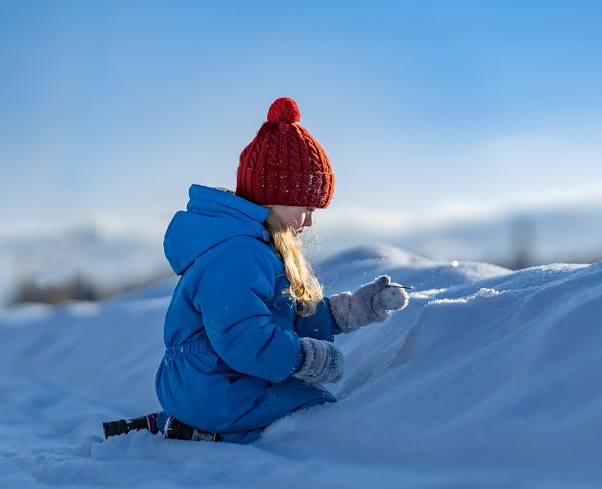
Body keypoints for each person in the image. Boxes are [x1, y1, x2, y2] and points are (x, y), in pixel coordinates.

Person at [102, 97, 409, 443]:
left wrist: (351, 310)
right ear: (273, 195)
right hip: (214, 387)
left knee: (300, 397)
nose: (309, 221)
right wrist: (304, 358)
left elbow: (281, 317)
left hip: (213, 380)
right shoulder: (238, 254)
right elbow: (243, 337)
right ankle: (211, 434)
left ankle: (190, 424)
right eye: (306, 207)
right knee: (316, 408)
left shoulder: (255, 246)